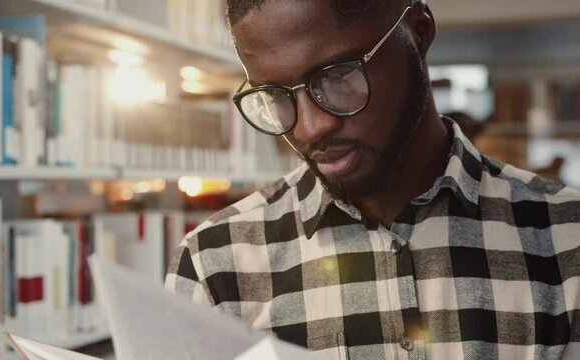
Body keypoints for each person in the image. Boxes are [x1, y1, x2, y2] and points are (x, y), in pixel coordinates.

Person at [166, 1, 580, 358]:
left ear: (418, 33)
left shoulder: (567, 239)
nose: (310, 128)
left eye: (337, 77)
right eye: (275, 94)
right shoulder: (214, 263)